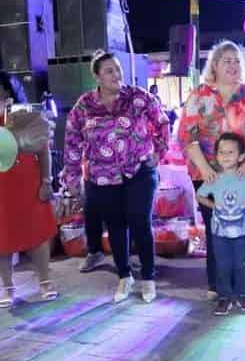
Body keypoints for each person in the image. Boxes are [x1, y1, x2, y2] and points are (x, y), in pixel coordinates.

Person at [62, 51, 170, 303]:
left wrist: (160, 151)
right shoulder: (84, 106)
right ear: (97, 76)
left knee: (139, 221)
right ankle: (124, 276)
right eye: (109, 70)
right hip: (102, 177)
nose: (116, 74)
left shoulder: (138, 97)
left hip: (139, 170)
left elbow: (162, 122)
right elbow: (72, 142)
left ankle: (148, 278)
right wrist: (72, 176)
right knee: (116, 226)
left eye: (118, 69)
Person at [178, 40, 245, 301]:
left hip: (241, 176)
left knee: (241, 229)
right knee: (215, 229)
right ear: (215, 65)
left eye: (237, 61)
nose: (233, 65)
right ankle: (217, 285)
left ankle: (242, 287)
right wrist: (207, 169)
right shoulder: (200, 95)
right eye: (227, 60)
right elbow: (186, 135)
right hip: (207, 174)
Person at [0, 71, 58, 307]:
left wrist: (46, 181)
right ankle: (7, 287)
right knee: (1, 237)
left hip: (28, 182)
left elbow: (43, 150)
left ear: (9, 90)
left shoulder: (23, 114)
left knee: (38, 233)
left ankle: (45, 282)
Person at [196, 132, 245, 316]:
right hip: (219, 232)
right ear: (216, 155)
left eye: (230, 152)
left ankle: (243, 295)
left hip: (242, 232)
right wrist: (214, 206)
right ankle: (224, 298)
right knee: (222, 264)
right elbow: (200, 195)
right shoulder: (214, 178)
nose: (226, 156)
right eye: (221, 152)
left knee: (240, 263)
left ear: (241, 155)